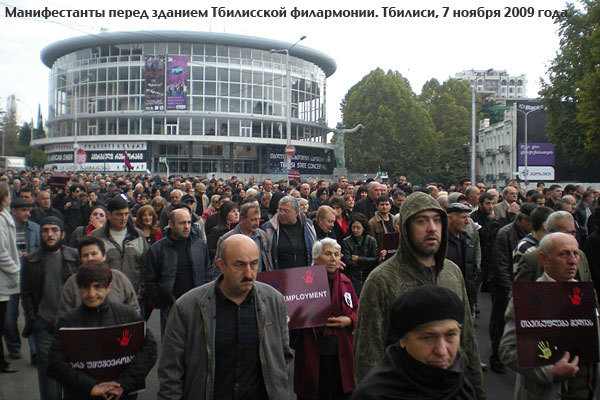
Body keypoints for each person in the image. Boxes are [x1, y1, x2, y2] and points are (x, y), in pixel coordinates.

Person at [354, 192, 484, 397]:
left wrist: (478, 391)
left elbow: (467, 339)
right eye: (422, 221)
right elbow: (368, 353)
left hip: (453, 387)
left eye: (437, 220)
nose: (432, 228)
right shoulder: (381, 280)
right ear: (406, 228)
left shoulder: (452, 273)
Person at [157, 234, 294, 400]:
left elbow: (283, 357)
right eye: (239, 265)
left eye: (254, 264)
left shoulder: (274, 301)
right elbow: (171, 373)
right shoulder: (187, 308)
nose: (249, 273)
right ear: (221, 265)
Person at [500, 232, 598, 400]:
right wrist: (549, 372)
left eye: (576, 254)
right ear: (544, 259)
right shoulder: (528, 299)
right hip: (546, 393)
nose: (573, 260)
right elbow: (507, 350)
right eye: (564, 254)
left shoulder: (584, 294)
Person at [47, 260, 157, 400]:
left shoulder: (128, 316)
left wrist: (122, 384)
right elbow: (55, 363)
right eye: (85, 287)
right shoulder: (68, 322)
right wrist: (90, 387)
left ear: (108, 287)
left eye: (97, 287)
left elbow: (149, 351)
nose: (91, 293)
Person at [351, 285, 477, 400]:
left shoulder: (460, 378)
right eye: (428, 337)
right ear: (402, 340)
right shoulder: (374, 394)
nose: (441, 351)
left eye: (450, 335)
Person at [21, 216, 79, 399]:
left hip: (72, 326)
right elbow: (26, 294)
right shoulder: (31, 260)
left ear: (62, 234)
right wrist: (34, 319)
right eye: (45, 230)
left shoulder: (75, 257)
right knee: (48, 377)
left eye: (54, 230)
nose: (50, 234)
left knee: (74, 376)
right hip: (44, 326)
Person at [293, 238, 358, 399]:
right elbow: (292, 316)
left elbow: (357, 311)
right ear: (316, 258)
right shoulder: (303, 284)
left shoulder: (346, 282)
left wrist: (349, 320)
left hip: (341, 354)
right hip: (313, 353)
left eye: (336, 254)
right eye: (328, 254)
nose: (333, 258)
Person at [146, 207, 211, 336]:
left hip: (197, 305)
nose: (186, 226)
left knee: (197, 342)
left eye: (189, 222)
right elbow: (150, 280)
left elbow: (207, 272)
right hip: (171, 307)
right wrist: (163, 301)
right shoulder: (157, 249)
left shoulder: (199, 245)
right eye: (182, 223)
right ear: (171, 224)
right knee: (172, 343)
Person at [488, 203, 535, 374]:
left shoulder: (530, 235)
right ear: (522, 220)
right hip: (504, 287)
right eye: (531, 222)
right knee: (501, 323)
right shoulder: (505, 233)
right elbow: (501, 265)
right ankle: (496, 358)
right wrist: (511, 291)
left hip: (521, 287)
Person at [55, 236, 140, 323]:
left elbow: (133, 308)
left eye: (94, 254)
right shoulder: (72, 282)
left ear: (104, 256)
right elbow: (63, 315)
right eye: (85, 255)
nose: (90, 258)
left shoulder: (119, 278)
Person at [90, 195, 148, 299]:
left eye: (126, 214)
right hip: (106, 296)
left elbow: (145, 265)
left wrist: (141, 290)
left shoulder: (137, 235)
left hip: (134, 295)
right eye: (119, 214)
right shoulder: (96, 237)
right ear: (108, 214)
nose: (123, 218)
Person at [4, 197, 40, 361]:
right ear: (14, 211)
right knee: (9, 317)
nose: (27, 213)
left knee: (32, 315)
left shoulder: (35, 229)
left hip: (30, 277)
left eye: (28, 210)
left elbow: (40, 251)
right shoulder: (5, 228)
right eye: (23, 210)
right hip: (11, 277)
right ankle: (14, 346)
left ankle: (35, 352)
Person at [215, 202, 273, 273]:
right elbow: (218, 268)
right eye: (253, 220)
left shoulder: (262, 235)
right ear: (242, 219)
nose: (257, 224)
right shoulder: (226, 239)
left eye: (258, 219)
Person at [262, 196, 317, 269]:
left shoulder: (308, 225)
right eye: (280, 210)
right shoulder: (269, 229)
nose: (281, 213)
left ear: (296, 212)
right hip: (279, 273)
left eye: (286, 211)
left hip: (305, 273)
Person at [0, 183, 19, 373]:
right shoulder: (0, 220)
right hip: (2, 280)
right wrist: (15, 271)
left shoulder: (4, 217)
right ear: (4, 198)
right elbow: (1, 253)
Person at [341, 213, 379, 297]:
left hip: (368, 276)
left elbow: (375, 259)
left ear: (363, 228)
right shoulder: (346, 241)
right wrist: (366, 262)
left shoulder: (371, 240)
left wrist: (358, 259)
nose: (355, 230)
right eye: (353, 227)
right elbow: (347, 261)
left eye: (358, 228)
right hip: (353, 277)